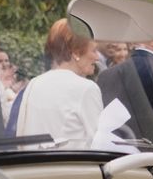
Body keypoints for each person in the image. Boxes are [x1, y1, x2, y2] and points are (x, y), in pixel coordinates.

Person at [15, 18, 103, 149]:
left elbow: (21, 137)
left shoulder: (34, 84)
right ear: (76, 52)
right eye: (94, 50)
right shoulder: (87, 88)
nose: (97, 57)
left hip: (33, 167)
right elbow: (100, 144)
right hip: (73, 167)